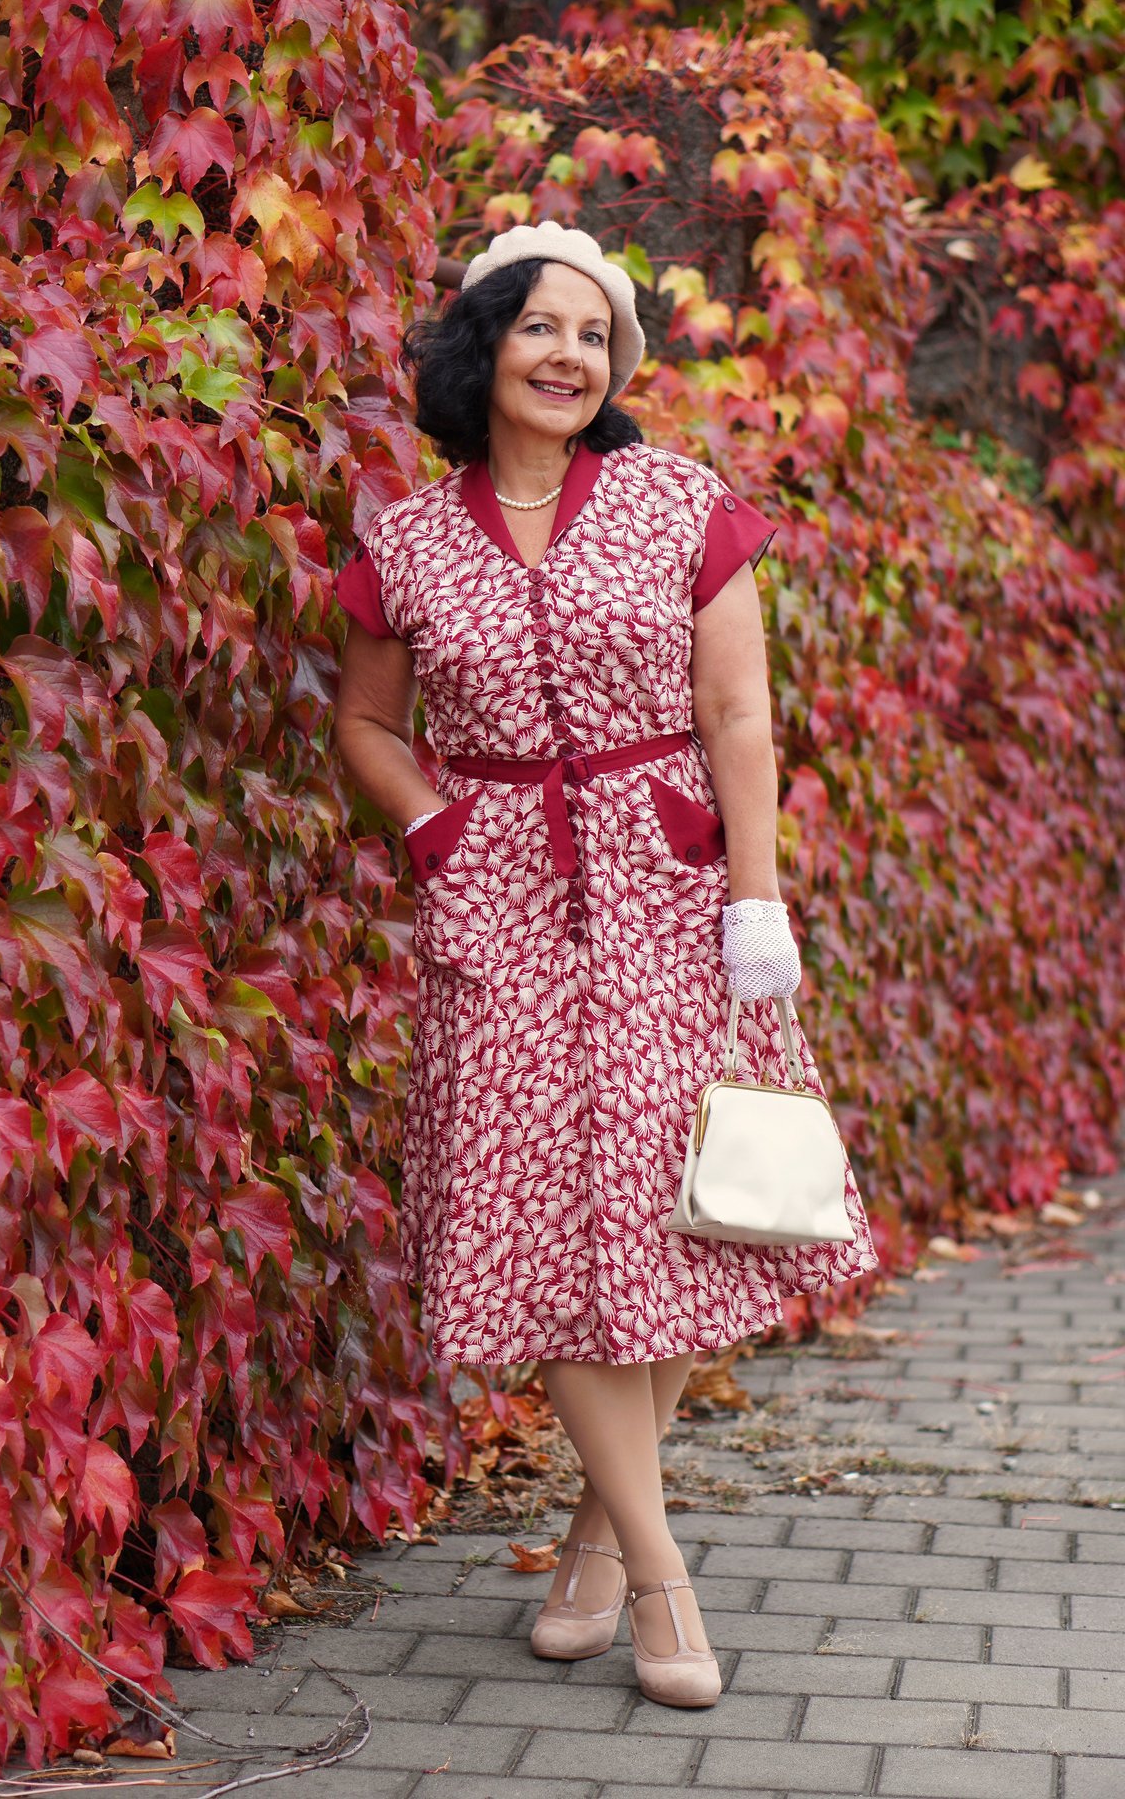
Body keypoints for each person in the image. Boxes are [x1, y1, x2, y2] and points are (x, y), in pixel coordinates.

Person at [333, 220, 878, 1708]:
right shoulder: (407, 540)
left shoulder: (677, 503)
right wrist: (440, 827)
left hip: (669, 892)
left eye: (597, 336)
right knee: (547, 1228)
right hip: (499, 907)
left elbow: (739, 713)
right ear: (485, 345)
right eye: (543, 327)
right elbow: (365, 725)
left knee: (674, 1215)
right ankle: (658, 1577)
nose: (572, 356)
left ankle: (597, 1536)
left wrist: (757, 906)